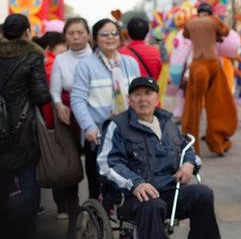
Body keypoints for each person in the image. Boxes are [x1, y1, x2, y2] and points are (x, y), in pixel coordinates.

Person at [97, 77, 221, 239]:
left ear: (157, 98)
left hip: (171, 192)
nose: (143, 99)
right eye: (137, 94)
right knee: (152, 204)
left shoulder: (167, 123)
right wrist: (136, 183)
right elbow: (106, 164)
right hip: (134, 196)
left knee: (203, 194)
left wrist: (189, 163)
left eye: (148, 94)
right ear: (130, 100)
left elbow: (186, 149)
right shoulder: (117, 126)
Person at [71, 18, 140, 199]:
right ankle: (98, 219)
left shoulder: (130, 63)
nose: (110, 38)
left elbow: (139, 95)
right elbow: (78, 99)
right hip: (98, 134)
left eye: (114, 33)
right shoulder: (86, 65)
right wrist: (89, 127)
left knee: (130, 178)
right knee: (98, 182)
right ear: (95, 39)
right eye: (104, 34)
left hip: (128, 131)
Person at [0, 14, 51, 238]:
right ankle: (24, 230)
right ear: (28, 32)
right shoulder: (33, 56)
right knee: (27, 181)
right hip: (22, 129)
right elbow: (40, 95)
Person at [49, 17, 92, 233]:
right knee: (71, 170)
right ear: (65, 36)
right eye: (71, 33)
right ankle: (73, 217)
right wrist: (58, 105)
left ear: (88, 35)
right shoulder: (61, 60)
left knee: (96, 169)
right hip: (69, 120)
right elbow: (55, 90)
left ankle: (97, 211)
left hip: (95, 120)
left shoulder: (97, 57)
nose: (76, 37)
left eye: (80, 32)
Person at [182, 3, 237, 155]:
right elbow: (226, 32)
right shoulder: (213, 21)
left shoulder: (190, 23)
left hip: (196, 65)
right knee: (218, 104)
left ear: (198, 12)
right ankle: (217, 143)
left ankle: (191, 146)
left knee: (193, 107)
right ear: (209, 12)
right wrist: (216, 35)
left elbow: (186, 35)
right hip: (212, 63)